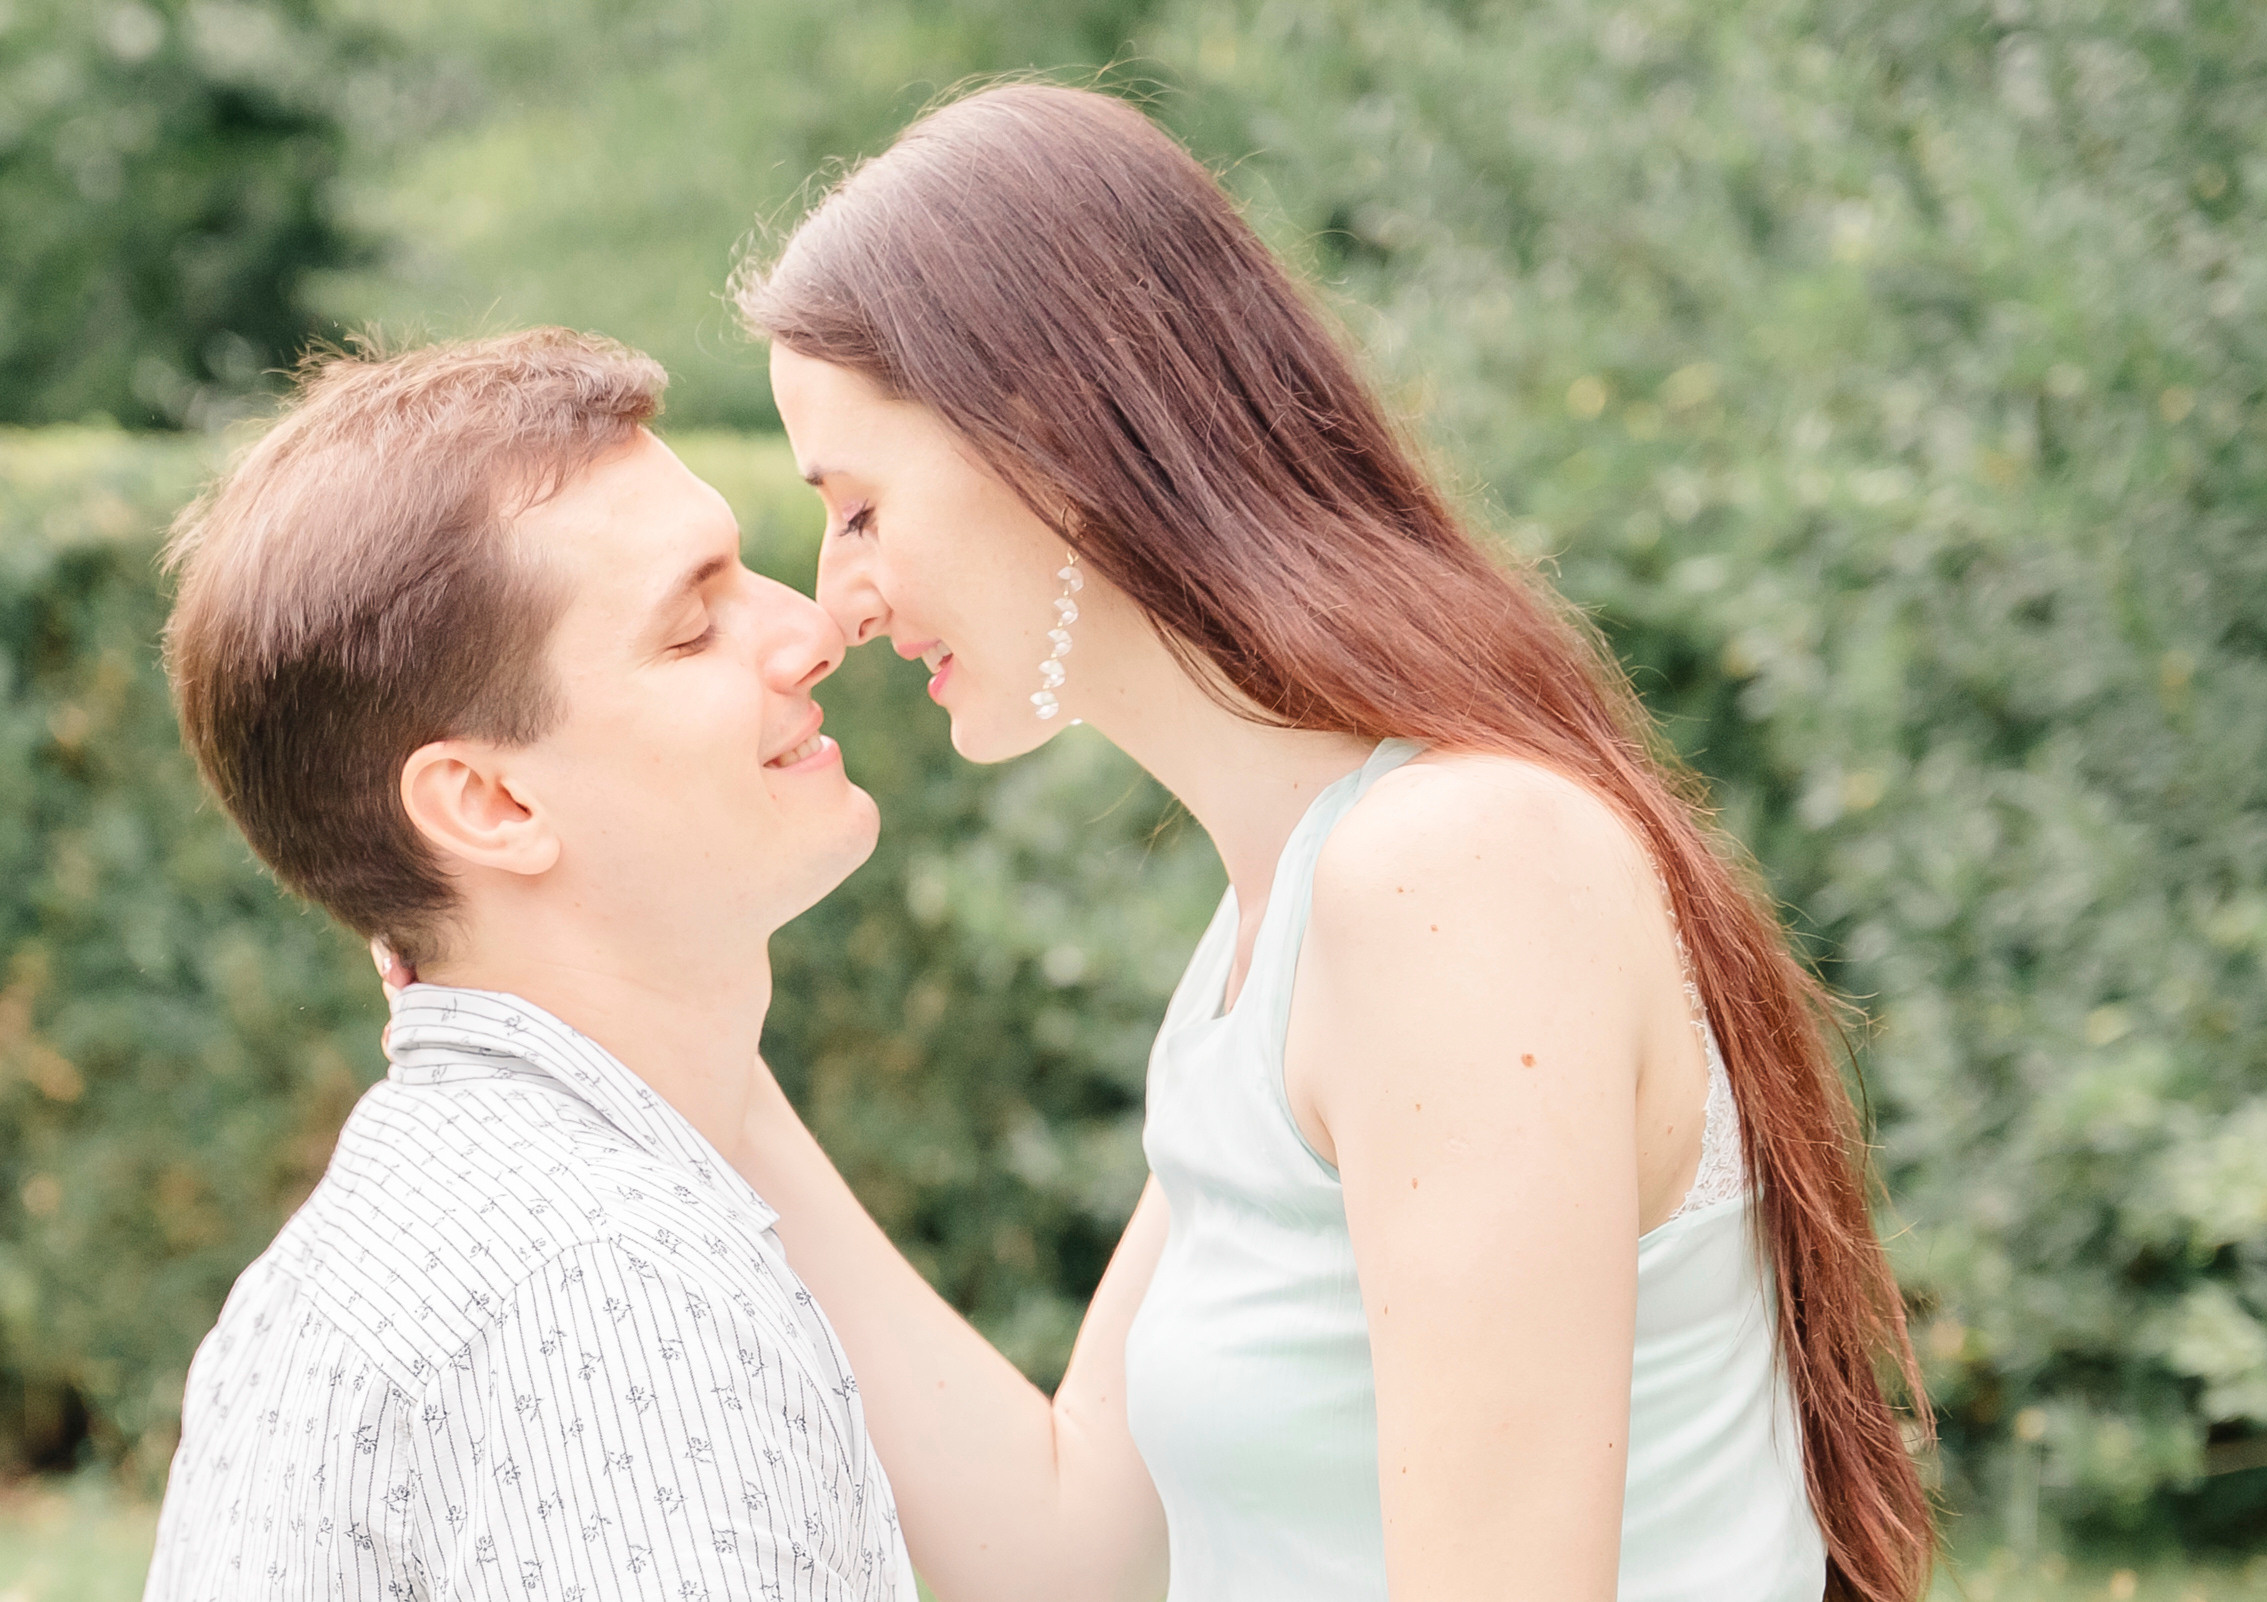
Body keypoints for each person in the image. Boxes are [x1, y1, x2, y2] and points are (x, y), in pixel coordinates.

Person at [721, 83, 1937, 1602]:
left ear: (1048, 439)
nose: (842, 597)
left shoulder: (1454, 874)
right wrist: (707, 1070)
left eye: (856, 508)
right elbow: (1064, 1547)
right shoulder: (1266, 950)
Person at [145, 330, 911, 1600]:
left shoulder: (328, 1276)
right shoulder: (615, 1301)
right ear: (489, 805)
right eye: (690, 626)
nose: (810, 628)